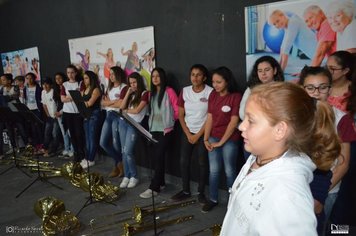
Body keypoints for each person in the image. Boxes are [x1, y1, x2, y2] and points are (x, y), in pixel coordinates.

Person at [221, 82, 341, 235]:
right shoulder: (258, 157)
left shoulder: (288, 196)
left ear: (279, 130)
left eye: (251, 121)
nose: (241, 127)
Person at [299, 66, 355, 233]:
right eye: (310, 88)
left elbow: (343, 164)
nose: (316, 92)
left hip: (327, 189)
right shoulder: (295, 116)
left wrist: (320, 194)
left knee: (319, 228)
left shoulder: (341, 119)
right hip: (298, 185)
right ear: (302, 89)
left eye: (322, 87)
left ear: (330, 89)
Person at [170, 64, 213, 204]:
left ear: (204, 77)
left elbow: (210, 117)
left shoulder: (210, 92)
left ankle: (201, 193)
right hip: (187, 132)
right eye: (193, 74)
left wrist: (198, 135)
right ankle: (186, 191)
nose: (195, 77)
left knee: (202, 163)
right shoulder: (185, 91)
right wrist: (188, 133)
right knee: (184, 162)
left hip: (203, 133)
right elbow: (181, 115)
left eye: (198, 74)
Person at [202, 67, 242, 212]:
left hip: (230, 138)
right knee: (213, 170)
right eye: (213, 82)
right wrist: (206, 139)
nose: (215, 85)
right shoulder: (213, 94)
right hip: (213, 136)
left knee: (230, 170)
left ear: (227, 81)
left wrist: (221, 142)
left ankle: (234, 202)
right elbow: (210, 117)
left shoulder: (236, 96)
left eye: (219, 82)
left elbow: (233, 122)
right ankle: (213, 199)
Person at [139, 67, 178, 198]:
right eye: (153, 76)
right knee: (156, 158)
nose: (155, 78)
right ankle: (161, 183)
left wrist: (172, 121)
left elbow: (177, 110)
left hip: (166, 131)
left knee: (159, 158)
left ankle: (154, 188)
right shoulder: (151, 94)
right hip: (153, 130)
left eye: (157, 76)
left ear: (162, 77)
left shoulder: (169, 91)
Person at [118, 72, 149, 188]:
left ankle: (134, 176)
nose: (132, 85)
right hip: (123, 122)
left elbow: (137, 110)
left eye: (134, 82)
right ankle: (127, 175)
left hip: (134, 124)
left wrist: (125, 111)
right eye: (130, 83)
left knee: (128, 151)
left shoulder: (145, 94)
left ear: (139, 82)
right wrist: (127, 93)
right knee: (123, 150)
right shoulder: (130, 93)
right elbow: (121, 107)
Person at [100, 66, 128, 177]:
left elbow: (121, 104)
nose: (110, 76)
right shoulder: (109, 88)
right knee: (103, 143)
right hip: (108, 115)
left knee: (117, 145)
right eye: (109, 74)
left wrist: (109, 103)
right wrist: (113, 102)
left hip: (117, 116)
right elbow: (103, 103)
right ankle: (120, 162)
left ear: (118, 74)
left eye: (113, 74)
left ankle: (117, 167)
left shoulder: (124, 87)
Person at [240, 56, 284, 121]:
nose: (263, 73)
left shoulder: (282, 89)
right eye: (260, 71)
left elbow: (283, 113)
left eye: (267, 70)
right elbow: (242, 114)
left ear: (275, 71)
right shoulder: (251, 89)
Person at [61, 65, 85, 163]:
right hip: (67, 112)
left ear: (75, 73)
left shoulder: (80, 83)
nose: (70, 75)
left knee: (79, 134)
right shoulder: (64, 84)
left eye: (72, 72)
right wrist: (74, 95)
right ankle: (76, 153)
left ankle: (82, 152)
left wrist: (69, 96)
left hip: (78, 113)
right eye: (68, 73)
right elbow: (62, 99)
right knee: (72, 134)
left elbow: (81, 97)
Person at [80, 71, 102, 168]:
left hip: (94, 115)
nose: (84, 80)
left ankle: (91, 159)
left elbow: (89, 103)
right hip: (86, 116)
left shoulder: (96, 89)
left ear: (91, 79)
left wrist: (79, 101)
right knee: (87, 139)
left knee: (92, 139)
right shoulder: (85, 89)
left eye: (86, 78)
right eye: (84, 78)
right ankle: (87, 157)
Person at [54, 72, 74, 158]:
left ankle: (73, 150)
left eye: (60, 78)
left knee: (70, 133)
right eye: (56, 79)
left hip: (67, 112)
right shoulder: (56, 89)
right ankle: (66, 149)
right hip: (59, 113)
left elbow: (67, 101)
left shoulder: (66, 86)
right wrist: (56, 112)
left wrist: (60, 112)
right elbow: (57, 102)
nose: (58, 80)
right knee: (64, 133)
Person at [41, 77, 60, 157]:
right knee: (47, 133)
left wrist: (57, 113)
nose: (45, 86)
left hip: (56, 116)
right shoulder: (43, 92)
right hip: (49, 116)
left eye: (47, 84)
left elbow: (58, 103)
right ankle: (45, 148)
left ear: (51, 85)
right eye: (43, 84)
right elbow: (44, 104)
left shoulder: (54, 92)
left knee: (55, 133)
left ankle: (53, 150)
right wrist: (47, 114)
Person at [25, 72, 43, 151]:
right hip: (29, 110)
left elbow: (40, 99)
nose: (29, 80)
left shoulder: (38, 88)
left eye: (31, 78)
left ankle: (41, 144)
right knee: (32, 128)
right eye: (27, 78)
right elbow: (25, 99)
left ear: (34, 79)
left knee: (38, 127)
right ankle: (36, 144)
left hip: (37, 110)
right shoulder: (25, 88)